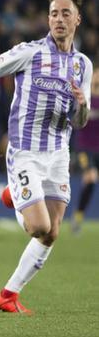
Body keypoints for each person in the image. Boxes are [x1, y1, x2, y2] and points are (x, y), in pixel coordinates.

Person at [0, 0, 93, 314]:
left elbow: (80, 121)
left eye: (65, 13)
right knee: (38, 227)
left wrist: (82, 105)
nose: (58, 19)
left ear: (77, 19)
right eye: (54, 13)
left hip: (58, 154)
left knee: (52, 233)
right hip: (25, 150)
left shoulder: (83, 65)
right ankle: (15, 190)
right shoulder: (29, 53)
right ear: (48, 18)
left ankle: (8, 295)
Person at [71, 70, 99, 234]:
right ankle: (78, 217)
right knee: (90, 178)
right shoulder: (84, 96)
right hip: (84, 147)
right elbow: (76, 121)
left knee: (91, 181)